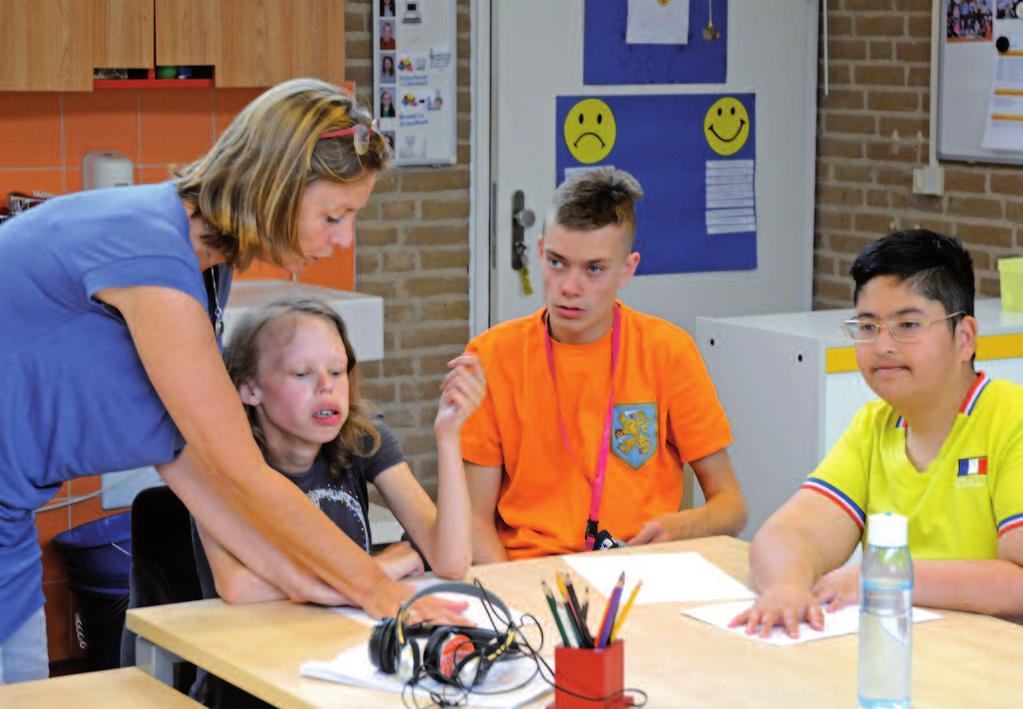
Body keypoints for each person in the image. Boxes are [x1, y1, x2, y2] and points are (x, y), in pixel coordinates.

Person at [0, 78, 464, 684]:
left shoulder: (201, 273)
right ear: (277, 188)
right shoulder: (151, 253)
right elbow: (243, 473)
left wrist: (317, 584)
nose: (343, 238)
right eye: (334, 215)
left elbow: (193, 466)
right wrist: (376, 589)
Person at [190, 297, 484, 707]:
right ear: (249, 387)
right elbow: (239, 586)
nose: (326, 386)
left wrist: (448, 436)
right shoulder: (222, 463)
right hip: (251, 680)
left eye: (337, 370)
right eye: (301, 373)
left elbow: (451, 561)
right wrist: (380, 570)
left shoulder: (363, 436)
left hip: (345, 664)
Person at [732, 230, 1023, 639]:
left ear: (964, 337)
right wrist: (786, 588)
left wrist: (885, 578)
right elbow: (789, 534)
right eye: (867, 327)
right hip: (900, 654)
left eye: (907, 324)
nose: (883, 345)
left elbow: (1019, 582)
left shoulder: (1012, 420)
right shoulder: (874, 425)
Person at [461, 167, 748, 562]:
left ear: (627, 269)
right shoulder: (491, 356)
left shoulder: (668, 351)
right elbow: (474, 522)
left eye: (594, 269)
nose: (569, 287)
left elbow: (731, 506)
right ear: (541, 250)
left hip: (638, 571)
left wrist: (682, 526)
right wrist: (511, 602)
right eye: (557, 262)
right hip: (531, 572)